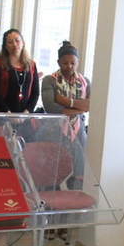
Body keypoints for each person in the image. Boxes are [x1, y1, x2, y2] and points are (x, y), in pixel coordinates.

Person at [40, 40, 90, 188]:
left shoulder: (85, 82)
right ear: (58, 62)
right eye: (65, 63)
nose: (69, 66)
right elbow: (52, 108)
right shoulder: (50, 80)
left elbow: (89, 106)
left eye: (73, 63)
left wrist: (67, 102)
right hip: (54, 130)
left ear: (78, 62)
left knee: (79, 170)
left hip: (78, 131)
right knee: (53, 172)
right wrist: (79, 108)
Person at [0, 28, 39, 114]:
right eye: (10, 42)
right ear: (5, 46)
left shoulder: (32, 65)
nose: (14, 44)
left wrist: (27, 112)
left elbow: (35, 92)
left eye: (17, 40)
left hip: (25, 116)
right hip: (2, 114)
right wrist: (7, 112)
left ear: (23, 42)